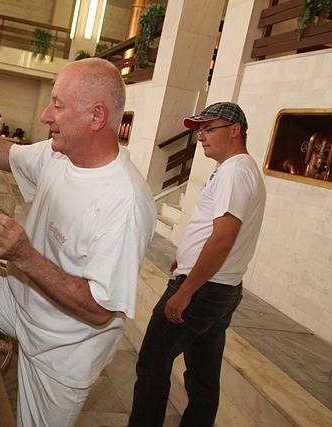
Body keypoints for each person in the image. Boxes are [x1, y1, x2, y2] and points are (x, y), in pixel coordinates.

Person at [0, 58, 156, 426]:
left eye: (57, 105)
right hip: (20, 301)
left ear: (96, 116)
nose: (45, 115)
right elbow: (4, 153)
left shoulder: (124, 202)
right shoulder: (60, 155)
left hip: (64, 350)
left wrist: (23, 255)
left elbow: (99, 310)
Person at [128, 102, 266, 427]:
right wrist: (188, 255)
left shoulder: (235, 172)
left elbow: (223, 238)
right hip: (221, 287)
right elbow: (216, 233)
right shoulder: (238, 169)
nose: (201, 136)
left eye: (209, 128)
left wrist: (187, 289)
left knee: (152, 363)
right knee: (203, 377)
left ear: (235, 130)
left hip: (204, 289)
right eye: (200, 130)